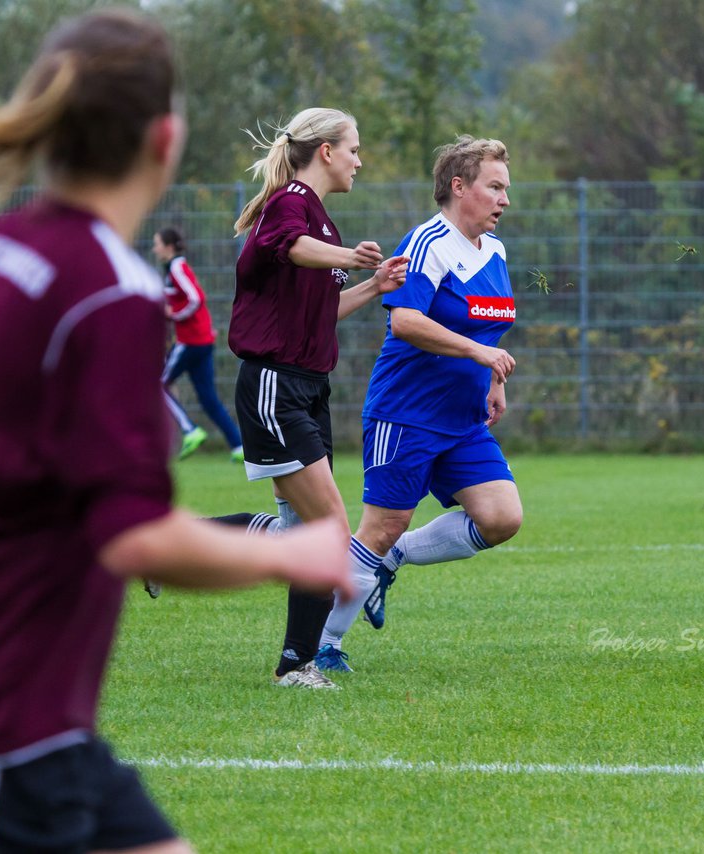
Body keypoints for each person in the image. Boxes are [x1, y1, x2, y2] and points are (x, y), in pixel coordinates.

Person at [0, 10, 351, 853]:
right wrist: (290, 552)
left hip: (32, 723)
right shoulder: (110, 292)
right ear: (164, 140)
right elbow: (132, 539)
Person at [314, 136, 524, 673]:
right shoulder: (428, 241)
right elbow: (404, 320)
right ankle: (324, 644)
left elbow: (488, 326)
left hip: (462, 419)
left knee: (501, 518)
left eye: (506, 189)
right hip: (405, 414)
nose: (504, 199)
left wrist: (491, 376)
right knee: (380, 526)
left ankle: (397, 557)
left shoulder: (495, 252)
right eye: (494, 187)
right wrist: (479, 351)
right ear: (459, 187)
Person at [225, 107, 407, 689]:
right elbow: (292, 248)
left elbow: (320, 308)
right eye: (354, 147)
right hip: (276, 385)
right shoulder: (291, 202)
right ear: (326, 150)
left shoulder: (318, 219)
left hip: (306, 388)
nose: (360, 159)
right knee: (326, 528)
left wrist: (371, 285)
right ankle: (295, 665)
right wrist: (350, 257)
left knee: (299, 533)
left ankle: (159, 546)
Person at [152, 226, 243, 462]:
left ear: (169, 246)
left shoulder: (176, 267)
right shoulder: (172, 268)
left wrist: (173, 314)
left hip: (190, 341)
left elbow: (195, 298)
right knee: (208, 397)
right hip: (202, 340)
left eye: (157, 243)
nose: (155, 248)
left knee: (157, 383)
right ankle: (238, 446)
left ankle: (190, 430)